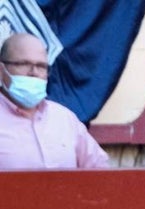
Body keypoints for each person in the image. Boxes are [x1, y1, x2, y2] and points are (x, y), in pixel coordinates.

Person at [0, 33, 108, 169]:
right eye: (24, 64)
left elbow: (101, 172)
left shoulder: (65, 119)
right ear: (1, 70)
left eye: (41, 66)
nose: (34, 72)